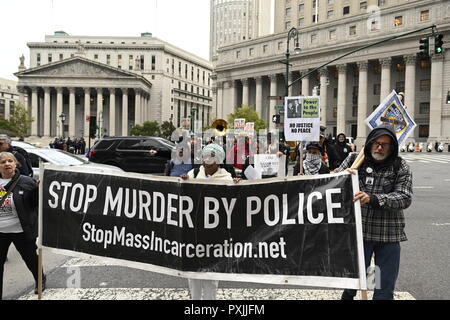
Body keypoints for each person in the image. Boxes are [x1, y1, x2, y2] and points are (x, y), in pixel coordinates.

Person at [336, 125, 413, 300]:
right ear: (370, 144)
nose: (380, 148)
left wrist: (375, 199)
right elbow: (332, 185)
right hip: (357, 233)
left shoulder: (399, 166)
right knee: (352, 282)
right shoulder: (354, 159)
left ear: (392, 147)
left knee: (384, 287)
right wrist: (343, 178)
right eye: (377, 143)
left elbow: (404, 197)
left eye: (385, 145)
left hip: (388, 235)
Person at [181, 143, 234, 300]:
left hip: (214, 233)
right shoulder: (195, 173)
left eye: (210, 159)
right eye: (204, 159)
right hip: (195, 232)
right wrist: (183, 181)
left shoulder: (226, 177)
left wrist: (238, 186)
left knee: (211, 274)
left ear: (218, 161)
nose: (206, 162)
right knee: (193, 274)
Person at [0, 152, 45, 299]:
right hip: (1, 232)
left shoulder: (25, 181)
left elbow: (35, 204)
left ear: (15, 164)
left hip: (22, 230)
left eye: (10, 161)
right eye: (3, 162)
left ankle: (40, 280)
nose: (7, 164)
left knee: (31, 259)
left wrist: (38, 190)